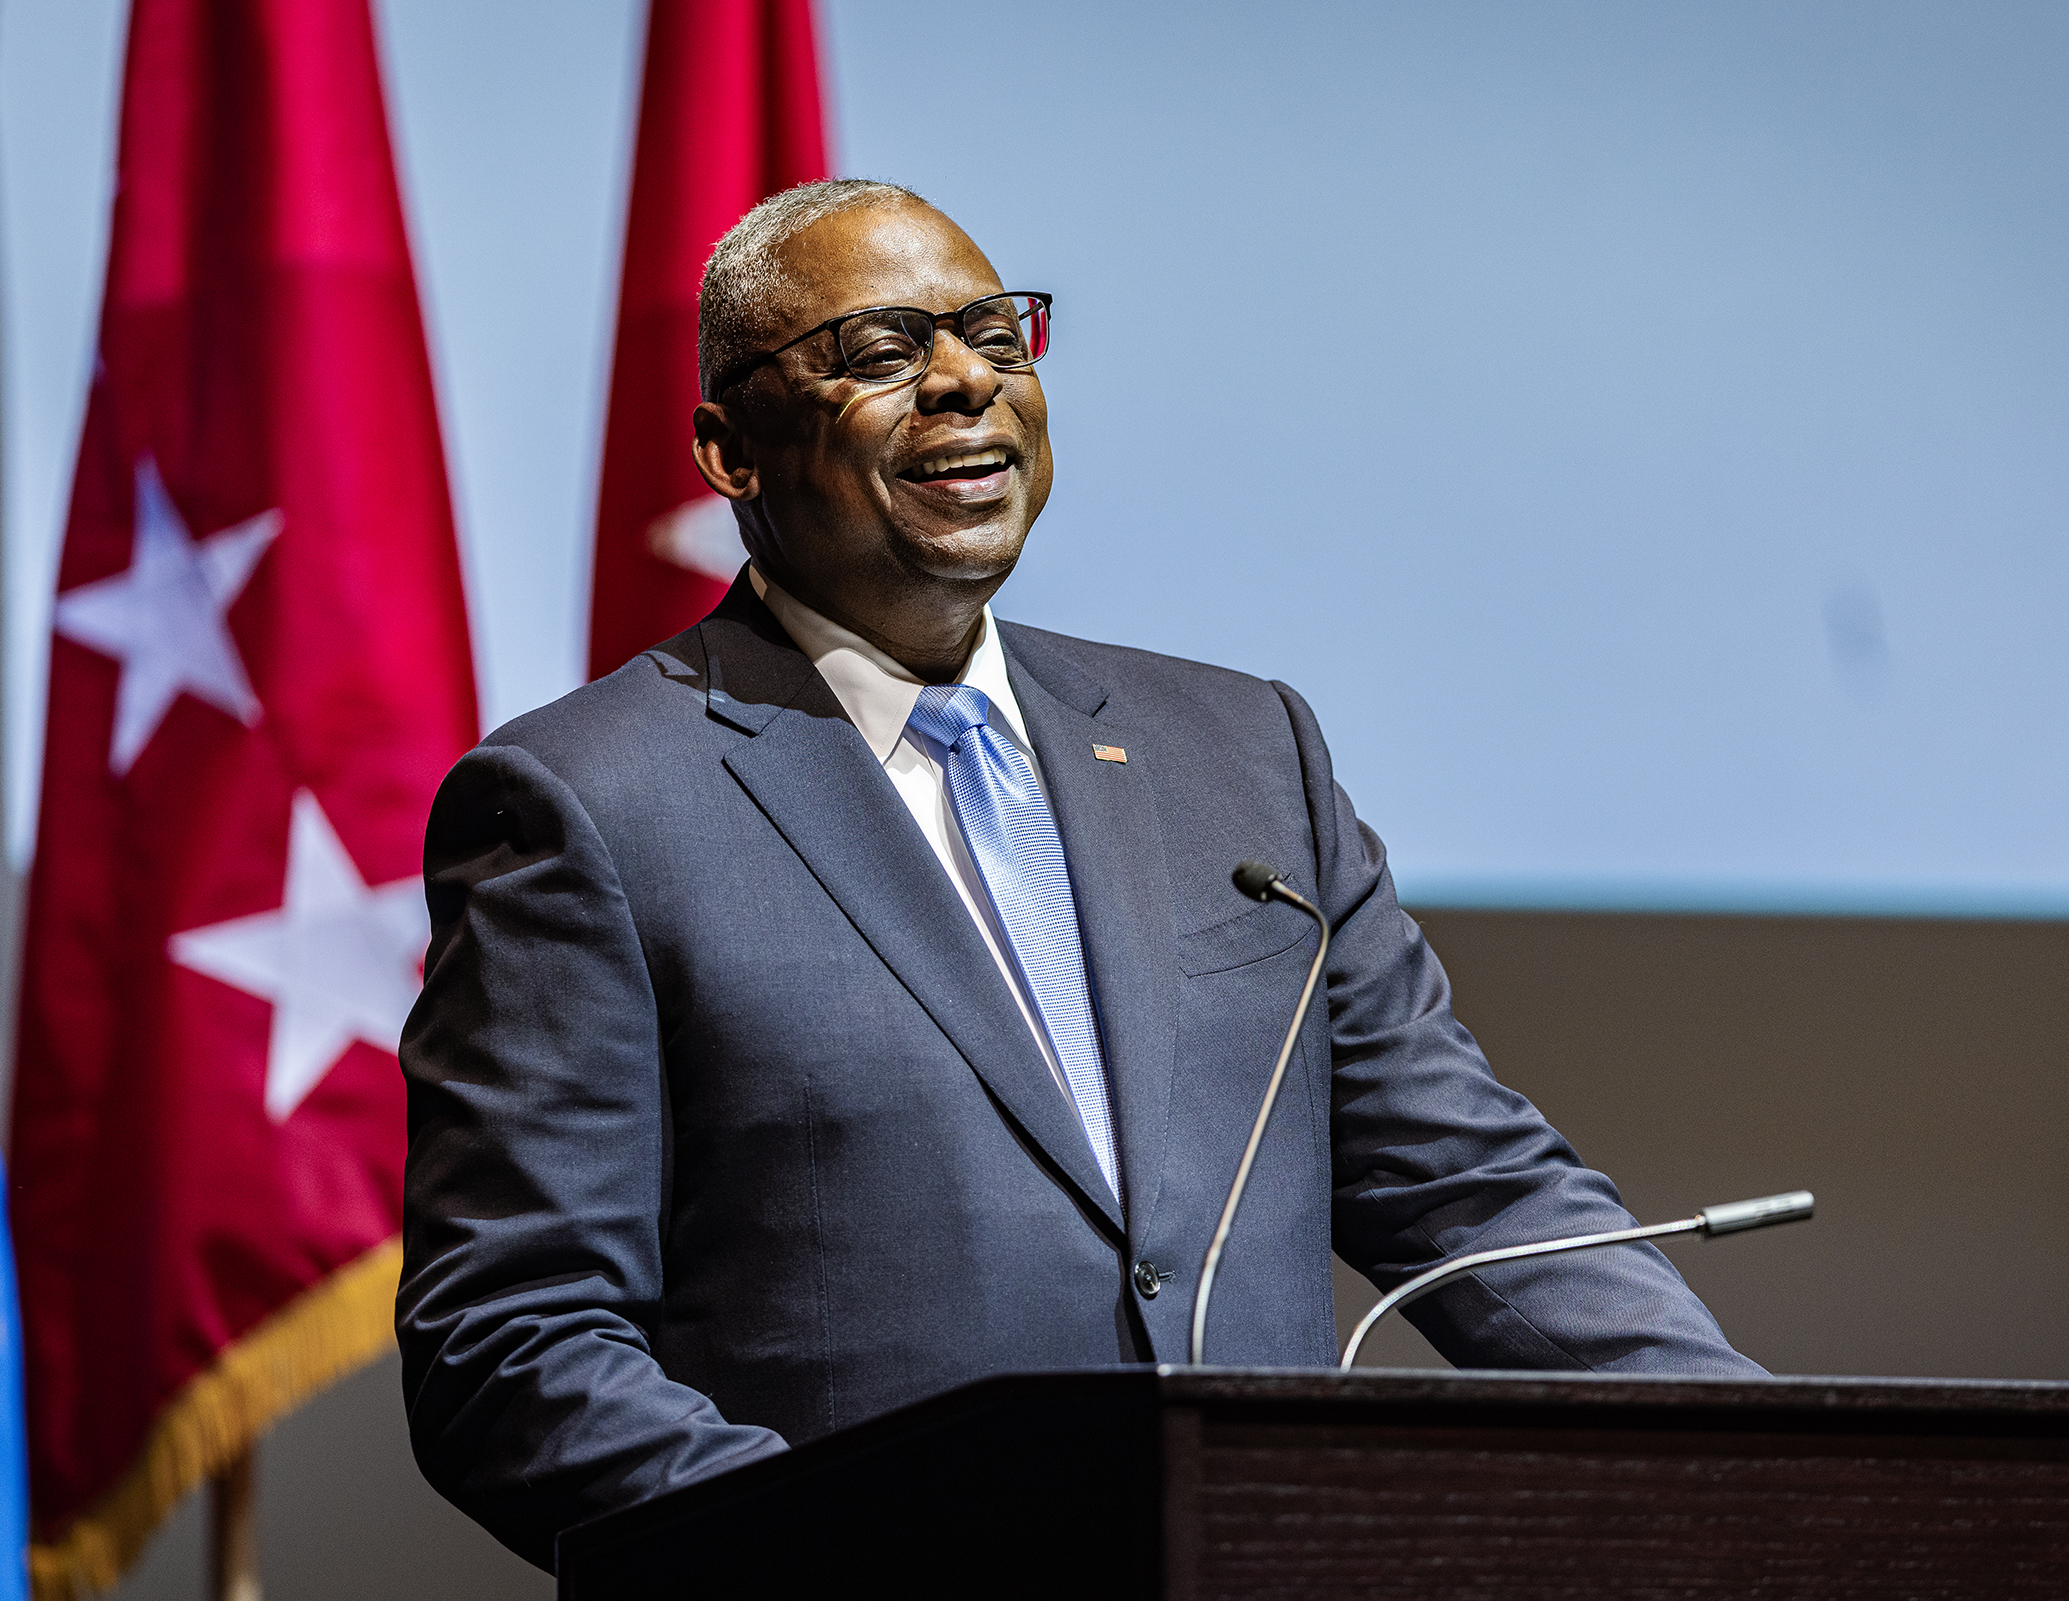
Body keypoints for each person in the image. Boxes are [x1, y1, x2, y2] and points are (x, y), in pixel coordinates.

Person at [397, 179, 1760, 1570]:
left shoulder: (1242, 755)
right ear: (728, 450)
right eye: (880, 352)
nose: (964, 380)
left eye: (995, 333)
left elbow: (1479, 1195)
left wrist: (1767, 1471)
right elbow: (512, 1341)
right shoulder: (589, 805)